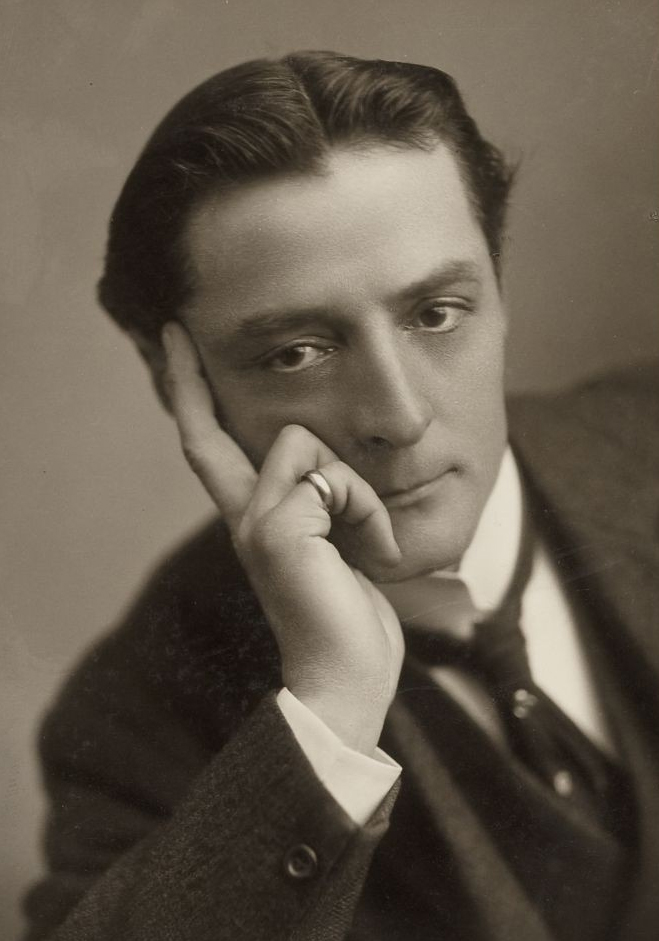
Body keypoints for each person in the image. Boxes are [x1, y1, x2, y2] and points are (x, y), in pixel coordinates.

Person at [22, 51, 659, 941]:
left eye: (436, 312)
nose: (397, 417)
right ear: (179, 383)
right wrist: (328, 713)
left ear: (500, 290)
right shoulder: (137, 711)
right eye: (296, 353)